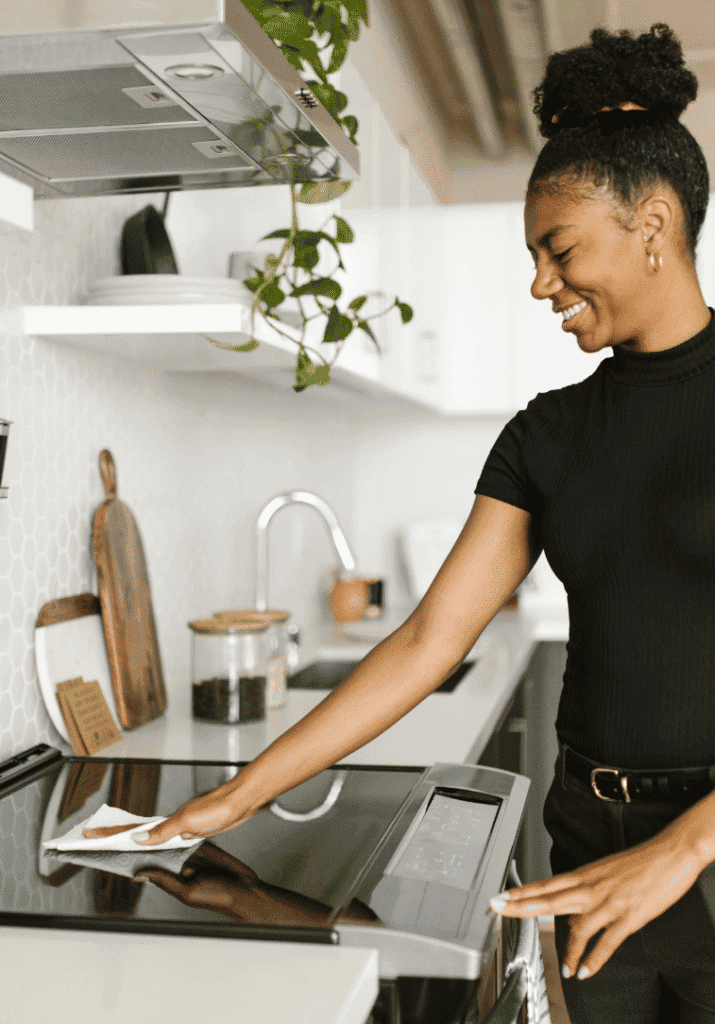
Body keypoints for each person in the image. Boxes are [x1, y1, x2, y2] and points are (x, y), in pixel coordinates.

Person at [86, 22, 715, 1023]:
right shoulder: (544, 435)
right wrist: (234, 798)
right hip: (590, 837)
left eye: (558, 249)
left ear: (651, 225)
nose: (539, 283)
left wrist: (684, 849)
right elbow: (427, 640)